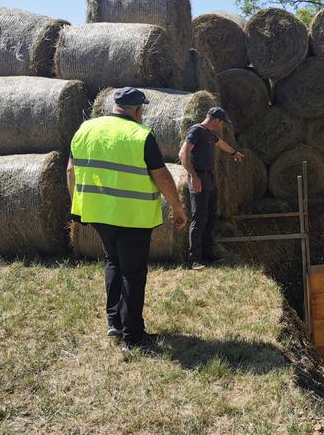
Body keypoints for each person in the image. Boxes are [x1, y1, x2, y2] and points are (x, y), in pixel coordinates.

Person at [66, 87, 188, 352]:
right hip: (133, 216)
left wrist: (77, 204)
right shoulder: (141, 135)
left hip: (98, 213)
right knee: (133, 273)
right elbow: (162, 176)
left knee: (113, 262)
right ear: (138, 110)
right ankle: (132, 337)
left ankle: (114, 322)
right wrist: (178, 208)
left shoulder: (86, 129)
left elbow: (70, 170)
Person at [178, 107, 244, 268]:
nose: (221, 126)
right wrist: (194, 176)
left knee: (209, 218)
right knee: (199, 218)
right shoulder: (196, 131)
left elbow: (221, 144)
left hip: (210, 179)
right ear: (216, 120)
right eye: (221, 123)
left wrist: (234, 152)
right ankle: (195, 258)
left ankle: (208, 255)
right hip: (199, 178)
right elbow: (183, 153)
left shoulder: (209, 134)